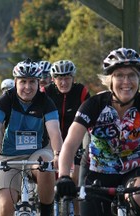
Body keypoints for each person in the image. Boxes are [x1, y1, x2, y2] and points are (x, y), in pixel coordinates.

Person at [56, 48, 140, 216]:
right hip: (96, 171)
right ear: (109, 80)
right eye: (119, 75)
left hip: (133, 170)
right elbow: (71, 142)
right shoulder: (94, 104)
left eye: (132, 75)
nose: (126, 81)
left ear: (139, 79)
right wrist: (64, 176)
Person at [0, 58, 63, 216]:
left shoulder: (46, 101)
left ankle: (47, 211)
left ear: (38, 83)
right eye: (23, 81)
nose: (27, 87)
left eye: (32, 82)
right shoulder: (4, 101)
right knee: (6, 206)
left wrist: (58, 155)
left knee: (46, 166)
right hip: (8, 156)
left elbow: (54, 131)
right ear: (15, 82)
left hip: (37, 152)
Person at [41, 59, 90, 215]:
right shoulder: (45, 92)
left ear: (73, 78)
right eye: (59, 78)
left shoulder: (81, 92)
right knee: (47, 178)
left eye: (67, 77)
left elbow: (92, 116)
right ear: (53, 79)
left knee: (74, 180)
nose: (63, 82)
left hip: (74, 143)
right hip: (49, 143)